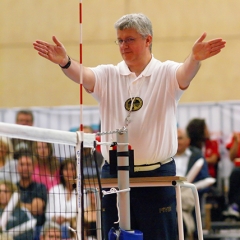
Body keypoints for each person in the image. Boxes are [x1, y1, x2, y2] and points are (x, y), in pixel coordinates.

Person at [33, 13, 226, 240]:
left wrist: (194, 59)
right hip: (113, 174)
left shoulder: (165, 72)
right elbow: (83, 75)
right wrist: (65, 62)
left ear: (147, 40)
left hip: (157, 176)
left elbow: (185, 73)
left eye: (130, 39)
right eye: (120, 40)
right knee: (113, 235)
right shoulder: (108, 74)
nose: (124, 46)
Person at [174, 128, 210, 239]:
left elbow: (205, 178)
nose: (177, 141)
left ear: (188, 141)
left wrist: (193, 191)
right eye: (175, 138)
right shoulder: (164, 156)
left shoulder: (197, 156)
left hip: (190, 195)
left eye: (180, 138)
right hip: (168, 193)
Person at [16, 153, 47, 240]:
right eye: (22, 164)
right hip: (16, 229)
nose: (25, 167)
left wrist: (17, 205)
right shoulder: (13, 188)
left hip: (36, 229)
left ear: (33, 167)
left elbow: (35, 209)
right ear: (17, 168)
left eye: (28, 164)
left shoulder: (40, 187)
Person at [45, 158, 77, 239]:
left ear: (77, 172)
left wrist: (66, 219)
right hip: (55, 228)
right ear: (61, 172)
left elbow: (84, 214)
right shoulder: (54, 190)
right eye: (66, 169)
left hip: (75, 228)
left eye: (72, 169)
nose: (69, 172)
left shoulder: (82, 192)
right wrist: (56, 218)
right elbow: (48, 213)